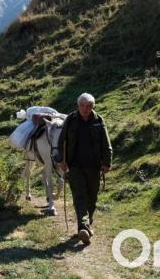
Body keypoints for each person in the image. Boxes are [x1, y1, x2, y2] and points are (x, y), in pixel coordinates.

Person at [58, 93, 112, 245]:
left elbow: (106, 144)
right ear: (78, 105)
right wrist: (61, 160)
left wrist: (106, 162)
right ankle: (83, 227)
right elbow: (61, 141)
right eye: (83, 106)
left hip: (94, 166)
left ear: (93, 107)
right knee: (79, 196)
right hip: (75, 166)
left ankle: (87, 226)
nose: (86, 109)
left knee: (92, 197)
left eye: (89, 106)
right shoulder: (70, 120)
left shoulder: (98, 120)